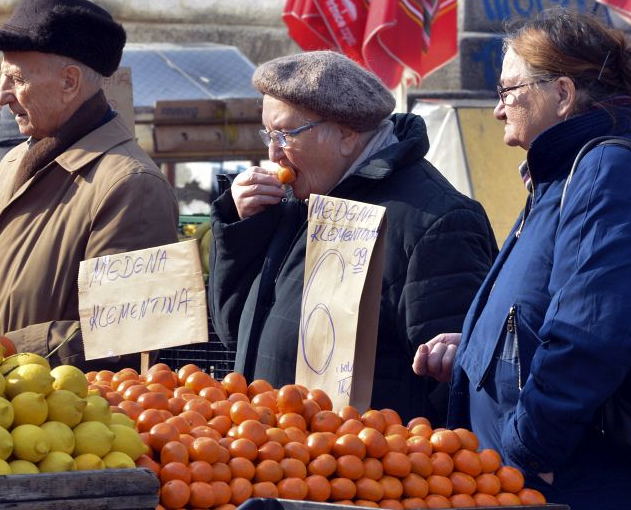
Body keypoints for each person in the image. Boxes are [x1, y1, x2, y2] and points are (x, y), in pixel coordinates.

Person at [412, 8, 631, 510]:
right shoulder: (567, 171)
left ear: (561, 95)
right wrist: (476, 343)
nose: (498, 110)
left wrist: (528, 449)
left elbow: (599, 329)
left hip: (590, 489)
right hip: (561, 485)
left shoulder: (605, 169)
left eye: (508, 91)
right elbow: (544, 306)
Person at [208, 50, 498, 422]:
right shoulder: (302, 201)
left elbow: (457, 390)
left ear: (346, 134)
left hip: (366, 470)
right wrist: (243, 226)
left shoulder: (436, 221)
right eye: (267, 133)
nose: (272, 153)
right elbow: (238, 334)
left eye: (285, 135)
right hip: (282, 463)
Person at [0, 0, 179, 369]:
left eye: (17, 79)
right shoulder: (12, 161)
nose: (4, 95)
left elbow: (124, 338)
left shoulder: (132, 186)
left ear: (69, 83)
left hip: (55, 420)